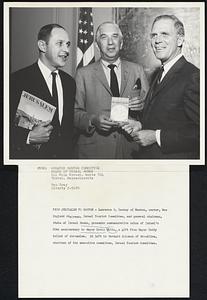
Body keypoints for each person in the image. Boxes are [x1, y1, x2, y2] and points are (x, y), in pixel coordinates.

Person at [122, 15, 200, 159]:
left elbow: (200, 132)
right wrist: (140, 125)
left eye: (165, 34)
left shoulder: (193, 76)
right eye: (154, 35)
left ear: (180, 40)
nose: (157, 40)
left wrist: (156, 137)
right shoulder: (160, 73)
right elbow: (167, 118)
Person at [74, 22, 149, 159]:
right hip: (95, 152)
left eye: (115, 36)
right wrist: (93, 120)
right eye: (104, 37)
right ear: (97, 45)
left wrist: (142, 106)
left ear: (121, 43)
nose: (110, 42)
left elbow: (152, 110)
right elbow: (74, 113)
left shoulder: (137, 70)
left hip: (130, 150)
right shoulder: (83, 74)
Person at [10, 24, 76, 159]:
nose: (66, 50)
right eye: (60, 43)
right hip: (31, 163)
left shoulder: (69, 82)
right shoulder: (16, 80)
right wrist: (28, 136)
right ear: (42, 46)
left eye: (68, 44)